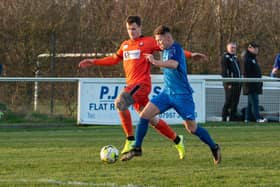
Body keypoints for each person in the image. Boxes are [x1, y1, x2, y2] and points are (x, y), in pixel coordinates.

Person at [79, 15, 207, 159]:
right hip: (133, 87)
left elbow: (169, 49)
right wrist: (94, 61)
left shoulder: (148, 42)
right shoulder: (125, 45)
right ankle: (177, 140)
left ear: (140, 28)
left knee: (120, 103)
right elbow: (114, 59)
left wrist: (190, 55)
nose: (131, 32)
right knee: (151, 119)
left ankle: (130, 140)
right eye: (129, 29)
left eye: (134, 29)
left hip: (141, 85)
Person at [121, 25, 221, 165]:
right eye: (157, 41)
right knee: (144, 115)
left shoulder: (175, 49)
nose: (158, 43)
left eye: (160, 40)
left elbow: (174, 64)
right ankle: (137, 147)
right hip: (167, 93)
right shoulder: (165, 50)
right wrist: (191, 55)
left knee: (192, 128)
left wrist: (155, 62)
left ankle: (214, 147)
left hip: (182, 96)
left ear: (168, 38)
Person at [242, 42, 267, 123]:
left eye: (257, 48)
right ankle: (258, 118)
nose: (257, 50)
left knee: (250, 104)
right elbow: (246, 72)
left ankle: (247, 119)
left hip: (255, 84)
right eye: (255, 48)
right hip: (251, 84)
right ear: (250, 48)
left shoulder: (253, 58)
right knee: (255, 102)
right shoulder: (247, 59)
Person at [220, 42, 242, 121]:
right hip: (230, 83)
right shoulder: (225, 57)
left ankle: (232, 118)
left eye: (234, 48)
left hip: (237, 83)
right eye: (231, 47)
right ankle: (224, 118)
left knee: (235, 101)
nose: (233, 49)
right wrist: (228, 82)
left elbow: (238, 70)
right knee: (228, 101)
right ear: (227, 48)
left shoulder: (235, 58)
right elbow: (224, 71)